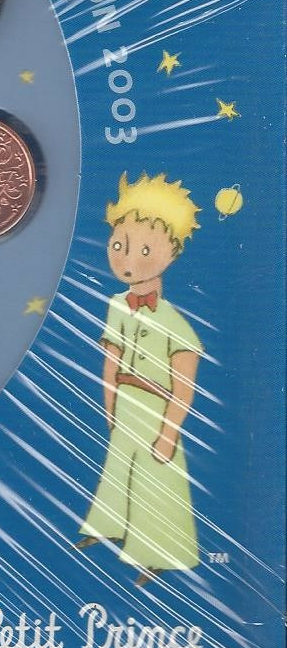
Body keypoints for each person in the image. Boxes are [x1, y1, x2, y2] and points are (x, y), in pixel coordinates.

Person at [76, 173, 203, 587]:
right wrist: (110, 405)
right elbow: (110, 360)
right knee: (118, 469)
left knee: (155, 480)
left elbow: (184, 387)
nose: (127, 259)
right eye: (119, 245)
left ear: (172, 252)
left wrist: (168, 434)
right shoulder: (117, 304)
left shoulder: (176, 324)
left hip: (156, 410)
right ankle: (108, 525)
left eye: (144, 249)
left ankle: (158, 553)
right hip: (126, 404)